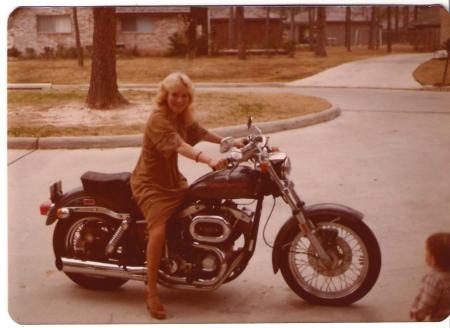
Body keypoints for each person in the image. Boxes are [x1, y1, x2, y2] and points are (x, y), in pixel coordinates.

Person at [130, 72, 244, 320]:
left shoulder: (180, 116)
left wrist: (234, 144)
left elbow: (200, 132)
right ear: (165, 95)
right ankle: (151, 292)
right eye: (174, 95)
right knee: (158, 228)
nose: (179, 100)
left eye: (184, 96)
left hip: (172, 181)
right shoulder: (158, 119)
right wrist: (209, 160)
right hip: (151, 184)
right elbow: (180, 146)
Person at [410, 232, 450, 322]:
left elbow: (427, 303)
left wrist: (418, 315)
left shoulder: (434, 280)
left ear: (433, 259)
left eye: (427, 251)